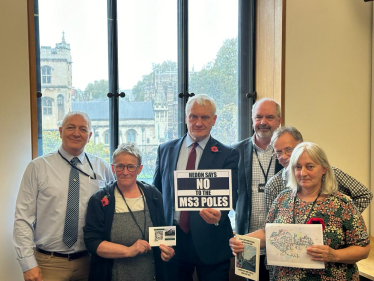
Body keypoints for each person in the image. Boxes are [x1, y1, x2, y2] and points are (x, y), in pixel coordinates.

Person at [229, 142, 370, 281]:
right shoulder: (282, 198)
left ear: (324, 169)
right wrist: (243, 241)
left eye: (310, 167)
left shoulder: (342, 203)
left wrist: (335, 255)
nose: (303, 173)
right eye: (298, 167)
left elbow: (363, 249)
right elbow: (269, 234)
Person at [13, 111, 114, 281]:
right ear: (60, 131)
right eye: (70, 127)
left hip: (90, 262)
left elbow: (114, 210)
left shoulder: (101, 168)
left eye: (83, 129)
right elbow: (23, 218)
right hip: (49, 264)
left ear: (89, 136)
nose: (76, 133)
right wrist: (28, 264)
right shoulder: (38, 167)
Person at [153, 94, 239, 281]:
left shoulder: (227, 154)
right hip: (172, 243)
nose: (198, 122)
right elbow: (156, 197)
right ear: (185, 118)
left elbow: (231, 193)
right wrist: (158, 240)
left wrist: (220, 214)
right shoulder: (165, 149)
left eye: (205, 117)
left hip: (212, 242)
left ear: (214, 120)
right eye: (193, 116)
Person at [84, 143, 174, 281]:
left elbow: (162, 231)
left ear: (140, 169)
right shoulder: (100, 199)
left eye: (131, 167)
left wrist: (168, 251)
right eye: (120, 166)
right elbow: (92, 242)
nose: (125, 172)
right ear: (113, 168)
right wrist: (128, 251)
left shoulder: (154, 195)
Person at [265, 126, 373, 214]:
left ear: (301, 145)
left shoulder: (330, 172)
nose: (283, 156)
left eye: (288, 150)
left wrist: (345, 218)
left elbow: (364, 194)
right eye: (278, 152)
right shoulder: (273, 184)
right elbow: (271, 224)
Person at [232, 98, 283, 280]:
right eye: (258, 117)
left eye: (269, 117)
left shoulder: (290, 153)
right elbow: (228, 193)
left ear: (279, 120)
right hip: (248, 241)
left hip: (283, 241)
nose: (263, 122)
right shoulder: (234, 152)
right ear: (252, 120)